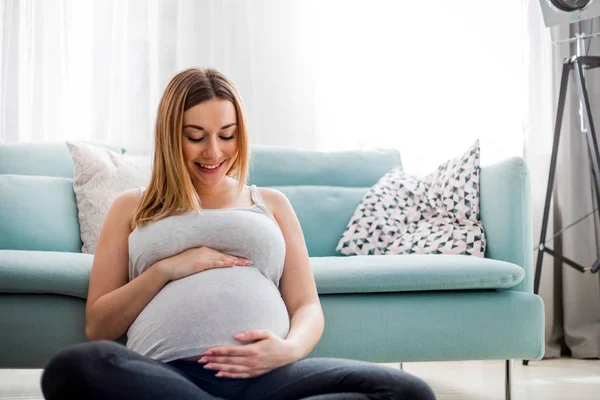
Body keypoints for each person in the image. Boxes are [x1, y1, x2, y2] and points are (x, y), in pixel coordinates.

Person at [40, 68, 436, 400]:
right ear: (169, 136)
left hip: (271, 377)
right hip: (170, 378)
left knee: (406, 392)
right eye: (196, 136)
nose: (214, 152)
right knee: (72, 367)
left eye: (226, 135)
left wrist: (287, 349)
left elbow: (307, 306)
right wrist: (167, 269)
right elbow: (98, 326)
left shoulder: (273, 204)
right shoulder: (132, 206)